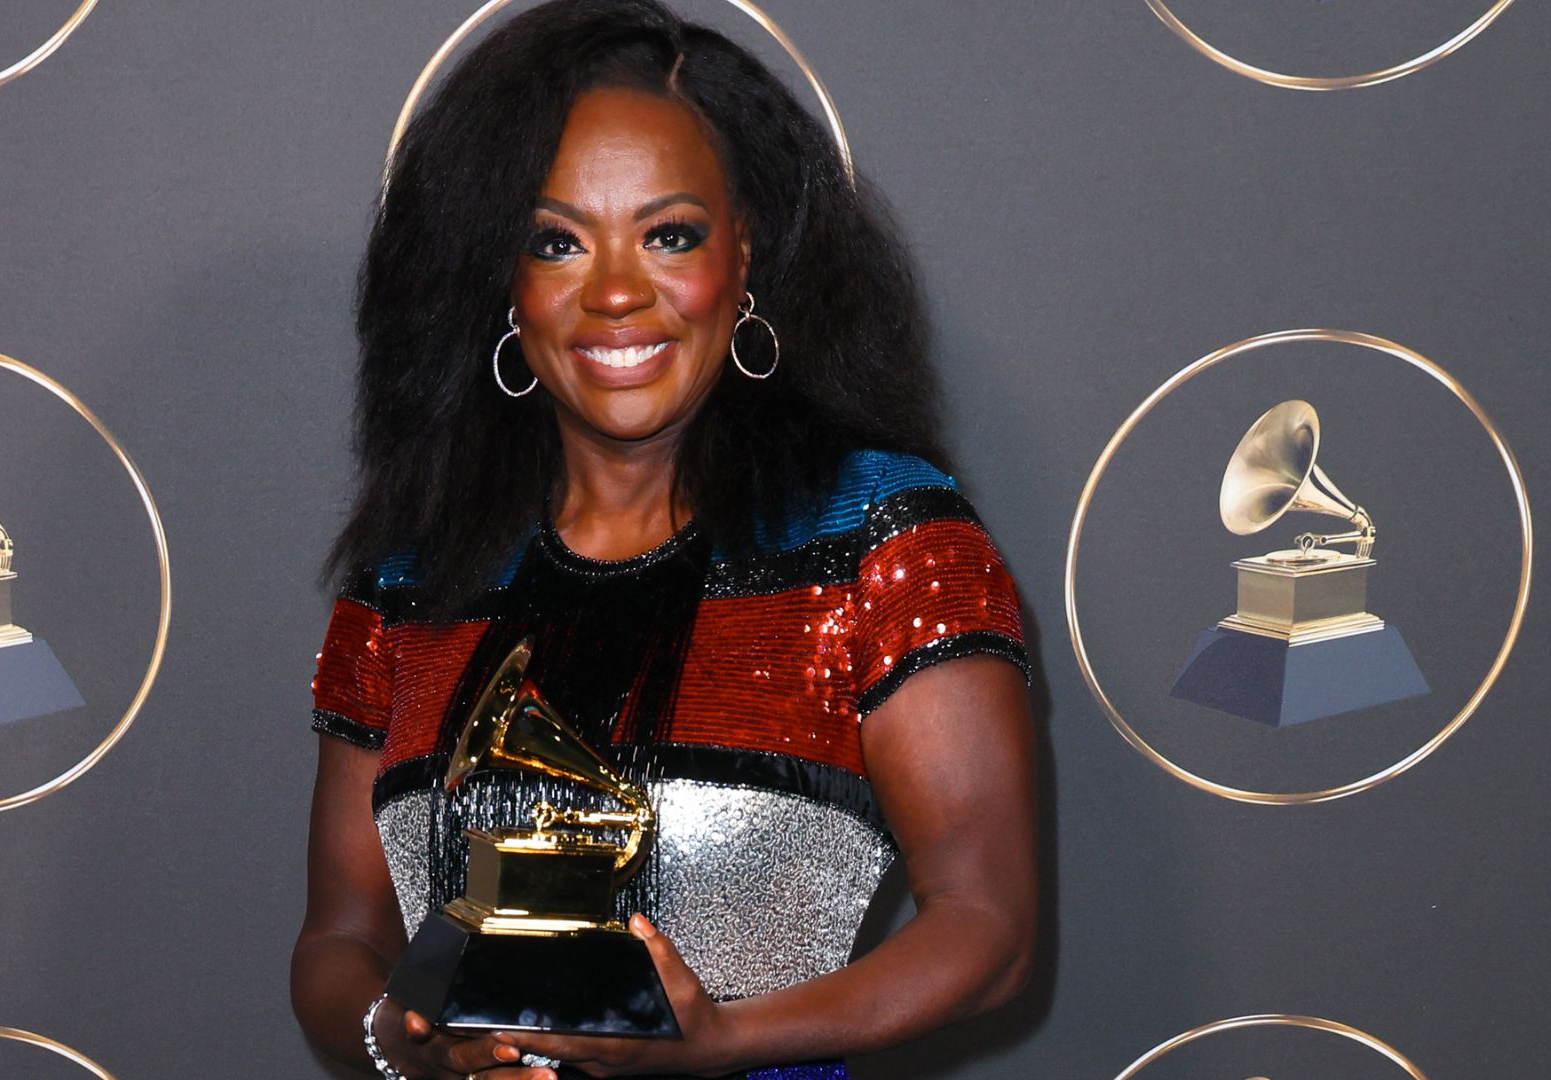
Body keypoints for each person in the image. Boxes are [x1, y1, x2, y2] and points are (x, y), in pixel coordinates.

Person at [290, 2, 1036, 1077]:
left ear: (746, 255)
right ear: (502, 282)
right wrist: (410, 1047)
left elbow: (989, 928)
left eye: (669, 234)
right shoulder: (409, 578)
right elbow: (339, 938)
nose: (615, 292)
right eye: (556, 241)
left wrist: (722, 1042)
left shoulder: (880, 540)